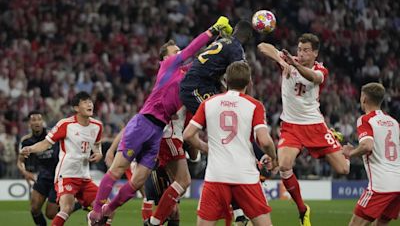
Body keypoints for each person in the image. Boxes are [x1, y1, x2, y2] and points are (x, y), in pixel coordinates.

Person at [88, 16, 233, 225]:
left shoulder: (186, 74)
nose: (178, 54)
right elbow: (192, 49)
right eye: (174, 52)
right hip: (145, 122)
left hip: (157, 132)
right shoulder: (168, 66)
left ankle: (107, 210)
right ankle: (94, 212)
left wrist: (222, 44)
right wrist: (213, 30)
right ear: (165, 58)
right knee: (117, 169)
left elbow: (204, 59)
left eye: (178, 52)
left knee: (138, 180)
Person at [258, 33, 350, 226]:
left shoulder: (320, 69)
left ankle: (333, 137)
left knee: (343, 169)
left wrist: (294, 65)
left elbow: (313, 78)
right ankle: (302, 209)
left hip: (315, 125)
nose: (301, 53)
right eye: (299, 49)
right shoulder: (289, 61)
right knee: (283, 165)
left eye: (306, 50)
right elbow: (263, 46)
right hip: (291, 126)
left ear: (315, 53)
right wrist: (281, 61)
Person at [183, 61, 277, 226]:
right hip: (245, 176)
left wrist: (206, 148)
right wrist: (273, 158)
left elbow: (188, 135)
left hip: (216, 175)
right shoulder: (254, 105)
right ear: (249, 82)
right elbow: (265, 141)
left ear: (226, 81)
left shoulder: (209, 103)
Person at [21, 92, 106, 226]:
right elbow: (45, 143)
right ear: (76, 108)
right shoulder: (65, 124)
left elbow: (97, 144)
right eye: (85, 102)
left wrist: (99, 153)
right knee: (66, 208)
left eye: (90, 101)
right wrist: (30, 149)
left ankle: (90, 216)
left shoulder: (97, 126)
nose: (90, 104)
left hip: (85, 177)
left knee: (105, 210)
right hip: (66, 175)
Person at [343, 83, 400, 226]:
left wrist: (350, 153)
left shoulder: (365, 119)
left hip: (380, 186)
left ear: (364, 99)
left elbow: (367, 145)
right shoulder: (393, 122)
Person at [179, 20, 253, 116]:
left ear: (234, 30)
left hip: (201, 84)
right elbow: (247, 79)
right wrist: (251, 104)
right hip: (195, 87)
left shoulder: (221, 41)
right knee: (217, 119)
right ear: (249, 37)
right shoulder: (236, 48)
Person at [17, 111, 59, 226]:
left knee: (50, 214)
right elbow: (20, 162)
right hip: (43, 176)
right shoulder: (26, 141)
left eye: (39, 119)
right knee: (34, 208)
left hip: (58, 177)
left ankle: (76, 205)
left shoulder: (54, 135)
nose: (37, 122)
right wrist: (25, 172)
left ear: (43, 122)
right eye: (33, 120)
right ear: (29, 123)